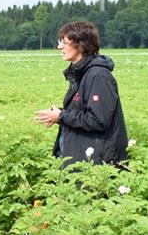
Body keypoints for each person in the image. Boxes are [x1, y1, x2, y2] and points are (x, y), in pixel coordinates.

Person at [34, 21, 128, 166]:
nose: (59, 47)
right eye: (60, 42)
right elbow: (84, 111)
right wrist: (61, 115)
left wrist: (61, 116)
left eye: (65, 42)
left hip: (96, 164)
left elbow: (98, 120)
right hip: (83, 158)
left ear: (81, 45)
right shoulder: (82, 74)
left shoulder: (97, 75)